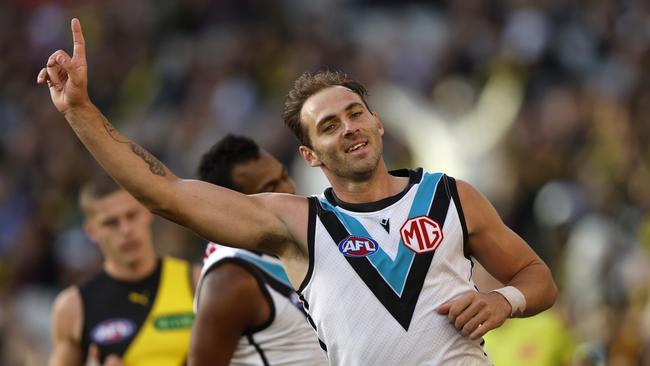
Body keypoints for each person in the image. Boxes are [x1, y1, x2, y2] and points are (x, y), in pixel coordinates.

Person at [38, 19, 558, 365]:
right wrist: (81, 111)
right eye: (328, 126)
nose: (349, 128)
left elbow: (537, 277)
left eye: (355, 113)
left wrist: (503, 300)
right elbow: (165, 194)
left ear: (377, 124)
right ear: (309, 155)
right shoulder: (297, 225)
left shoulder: (450, 196)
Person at [190, 134, 327, 365]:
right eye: (271, 188)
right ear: (233, 207)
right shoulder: (230, 279)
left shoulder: (299, 237)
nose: (288, 190)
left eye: (284, 176)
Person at [48, 173, 197, 366]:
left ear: (147, 212)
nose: (126, 230)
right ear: (92, 231)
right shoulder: (73, 307)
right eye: (111, 222)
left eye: (131, 215)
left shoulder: (195, 281)